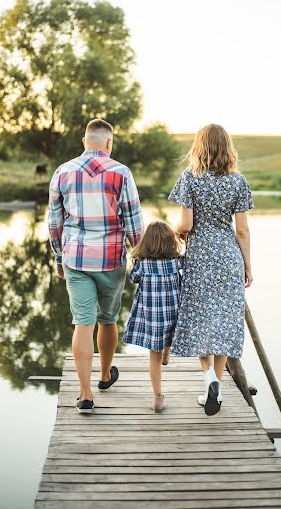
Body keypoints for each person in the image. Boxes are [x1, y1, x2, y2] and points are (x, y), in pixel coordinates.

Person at [48, 119, 143, 413]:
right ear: (109, 143)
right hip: (111, 258)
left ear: (84, 141)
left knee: (82, 322)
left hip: (76, 258)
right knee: (108, 318)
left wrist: (58, 257)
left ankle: (85, 394)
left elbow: (54, 223)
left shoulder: (63, 172)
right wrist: (138, 254)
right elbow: (134, 222)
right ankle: (104, 375)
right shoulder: (121, 173)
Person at [168, 124, 254, 416]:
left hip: (200, 259)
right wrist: (247, 265)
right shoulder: (238, 181)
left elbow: (186, 225)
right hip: (228, 258)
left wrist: (176, 231)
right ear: (227, 147)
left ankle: (209, 380)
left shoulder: (190, 179)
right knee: (225, 323)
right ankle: (214, 384)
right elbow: (241, 230)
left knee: (198, 319)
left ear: (199, 147)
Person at [122, 221, 183, 412]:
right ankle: (167, 351)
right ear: (170, 242)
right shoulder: (176, 262)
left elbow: (133, 278)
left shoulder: (143, 265)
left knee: (153, 357)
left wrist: (135, 263)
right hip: (173, 313)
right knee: (169, 336)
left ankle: (158, 396)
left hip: (152, 317)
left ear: (146, 242)